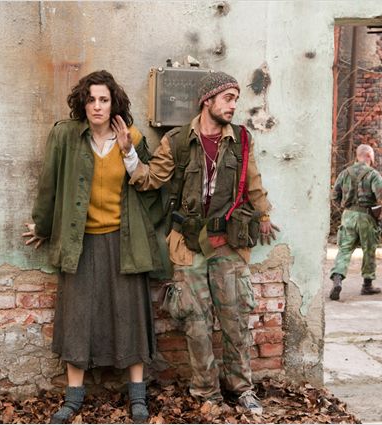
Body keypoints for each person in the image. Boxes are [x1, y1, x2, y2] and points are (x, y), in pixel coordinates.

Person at [113, 71, 278, 415]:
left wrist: (263, 214)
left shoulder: (241, 140)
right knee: (195, 323)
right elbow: (149, 179)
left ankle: (242, 388)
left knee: (235, 320)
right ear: (207, 101)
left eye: (236, 99)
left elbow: (254, 183)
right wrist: (128, 153)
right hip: (188, 245)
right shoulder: (176, 141)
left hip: (229, 243)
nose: (233, 105)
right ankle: (206, 392)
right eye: (228, 99)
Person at [23, 70, 163, 424]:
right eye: (91, 99)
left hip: (123, 239)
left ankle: (137, 396)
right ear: (82, 103)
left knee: (130, 314)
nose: (97, 106)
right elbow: (49, 185)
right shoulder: (65, 135)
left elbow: (150, 186)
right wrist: (43, 226)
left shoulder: (131, 137)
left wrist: (129, 151)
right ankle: (73, 398)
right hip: (79, 241)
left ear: (114, 103)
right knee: (77, 316)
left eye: (104, 99)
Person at [329, 144, 382, 301]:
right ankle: (367, 285)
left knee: (344, 249)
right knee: (369, 249)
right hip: (366, 216)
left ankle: (337, 279)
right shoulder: (373, 174)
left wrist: (346, 205)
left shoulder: (344, 173)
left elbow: (334, 196)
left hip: (348, 215)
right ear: (369, 156)